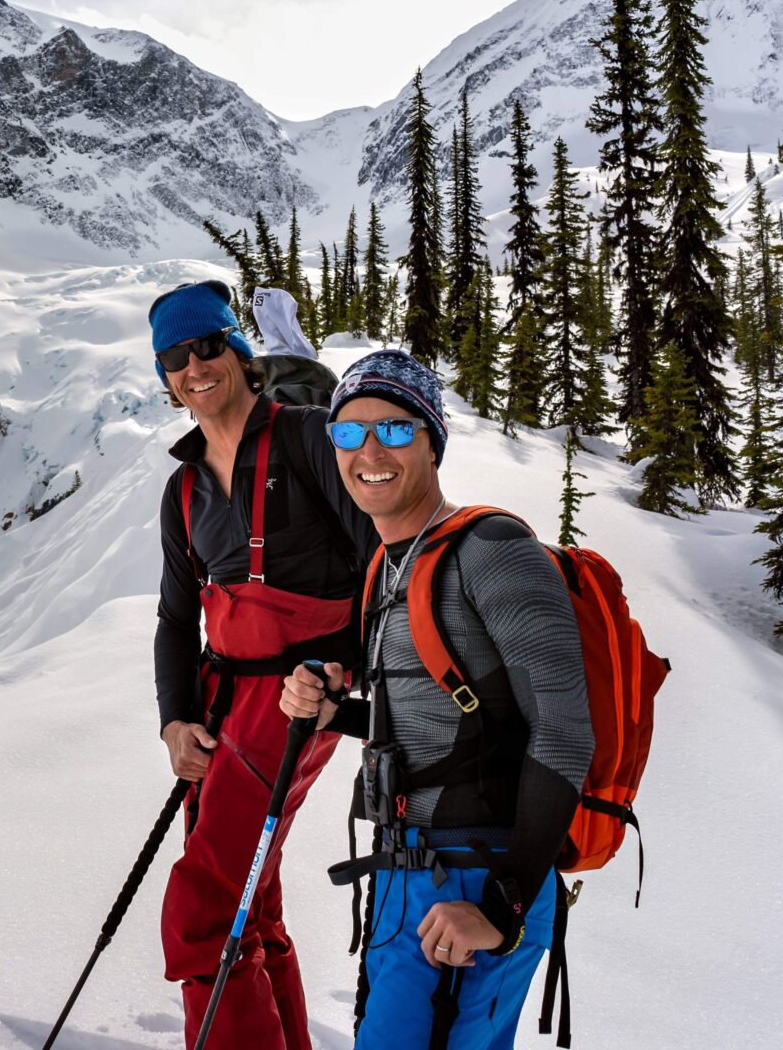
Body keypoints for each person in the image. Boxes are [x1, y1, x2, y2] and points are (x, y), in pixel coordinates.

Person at [279, 349, 593, 1050]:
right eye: (348, 431)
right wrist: (338, 712)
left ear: (432, 440)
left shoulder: (495, 549)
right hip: (405, 875)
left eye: (394, 429)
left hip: (480, 880)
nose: (369, 450)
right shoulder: (391, 565)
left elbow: (566, 730)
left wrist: (503, 905)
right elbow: (446, 726)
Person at [150, 279, 381, 1050]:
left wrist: (342, 672)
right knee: (254, 894)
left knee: (208, 905)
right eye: (175, 357)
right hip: (222, 705)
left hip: (295, 702)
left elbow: (384, 565)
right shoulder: (183, 490)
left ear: (241, 354)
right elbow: (177, 620)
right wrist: (175, 720)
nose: (194, 366)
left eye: (208, 345)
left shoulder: (310, 437)